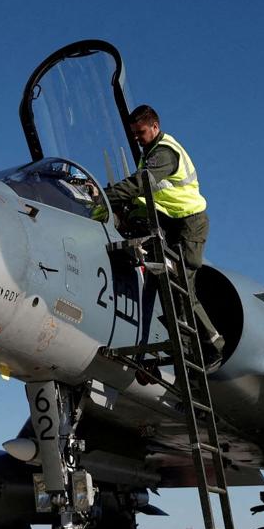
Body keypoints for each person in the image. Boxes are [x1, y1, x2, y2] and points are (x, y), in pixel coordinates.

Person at [104, 104, 225, 368]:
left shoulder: (164, 153)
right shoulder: (148, 153)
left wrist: (105, 198)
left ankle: (214, 346)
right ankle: (184, 350)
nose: (137, 137)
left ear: (155, 127)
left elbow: (139, 183)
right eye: (134, 133)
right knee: (166, 284)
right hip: (171, 222)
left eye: (141, 132)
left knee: (182, 286)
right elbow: (143, 194)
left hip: (190, 225)